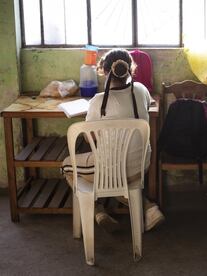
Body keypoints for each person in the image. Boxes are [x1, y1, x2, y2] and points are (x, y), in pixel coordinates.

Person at [62, 48, 165, 233]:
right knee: (119, 177)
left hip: (110, 171)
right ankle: (148, 207)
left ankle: (97, 210)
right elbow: (148, 105)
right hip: (140, 166)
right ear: (130, 69)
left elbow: (89, 136)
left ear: (104, 71)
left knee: (66, 165)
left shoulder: (97, 101)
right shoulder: (141, 90)